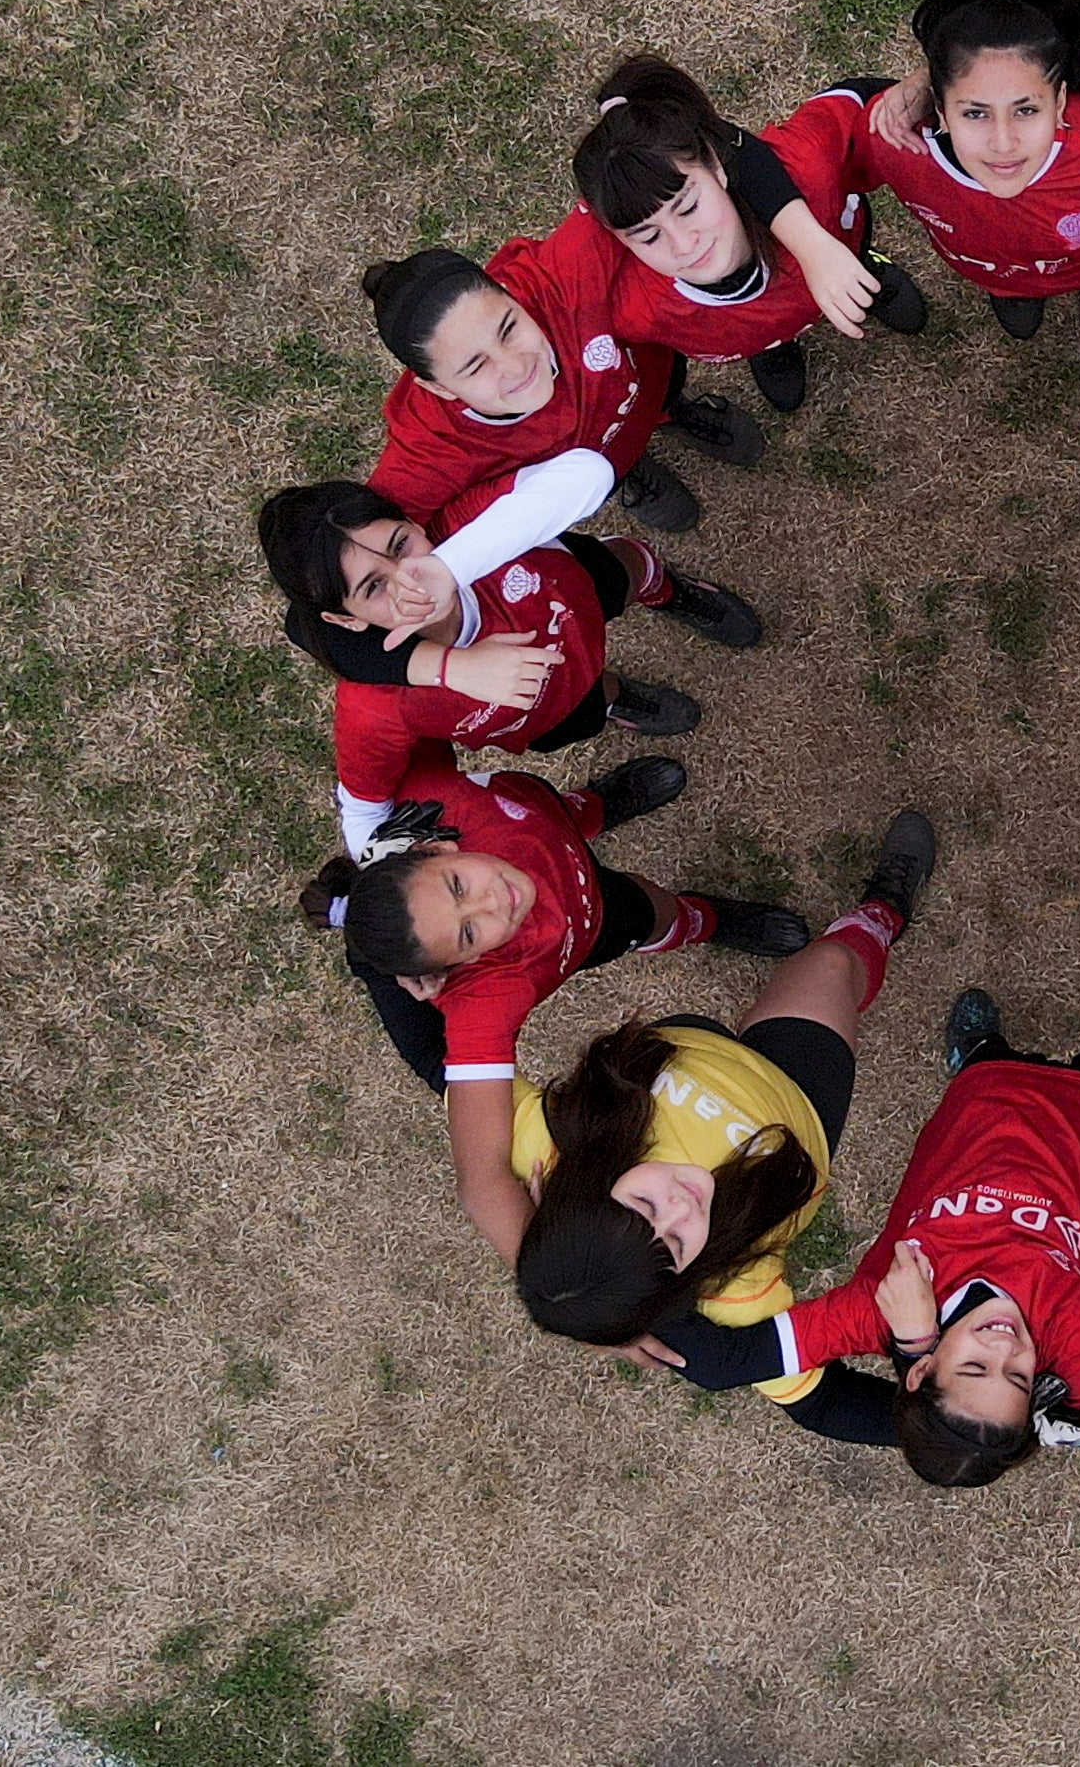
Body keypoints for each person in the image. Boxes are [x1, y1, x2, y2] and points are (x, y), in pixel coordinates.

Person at [654, 988, 1080, 1486]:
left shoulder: (881, 1304)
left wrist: (607, 1309)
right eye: (1020, 1377)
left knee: (989, 1059)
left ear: (926, 1370)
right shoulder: (1068, 1338)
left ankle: (976, 1051)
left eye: (975, 1367)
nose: (1004, 1347)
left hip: (986, 1093)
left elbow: (722, 1363)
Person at [506, 812, 938, 1444]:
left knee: (815, 966)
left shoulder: (541, 1142)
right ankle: (882, 913)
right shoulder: (734, 1291)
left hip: (686, 1043)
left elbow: (441, 1061)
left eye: (643, 1201)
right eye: (680, 1244)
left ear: (588, 1180)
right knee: (832, 964)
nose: (681, 1205)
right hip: (794, 1093)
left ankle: (707, 920)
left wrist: (375, 938)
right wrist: (961, 1427)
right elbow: (818, 1401)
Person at [298, 742, 808, 1259]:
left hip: (541, 815)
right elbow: (481, 1184)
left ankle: (594, 808)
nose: (492, 900)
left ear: (433, 851)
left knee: (580, 832)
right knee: (650, 913)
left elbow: (392, 701)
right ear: (460, 966)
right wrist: (570, 1295)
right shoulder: (487, 993)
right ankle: (705, 919)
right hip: (593, 922)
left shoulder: (428, 793)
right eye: (470, 932)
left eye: (458, 886)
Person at [253, 473, 761, 854]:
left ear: (411, 522)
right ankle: (615, 698)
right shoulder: (377, 708)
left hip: (580, 589)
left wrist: (456, 563)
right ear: (344, 622)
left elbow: (585, 474)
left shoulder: (469, 524)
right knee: (587, 703)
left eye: (401, 545)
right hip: (551, 712)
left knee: (628, 571)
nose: (410, 581)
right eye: (373, 587)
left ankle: (668, 590)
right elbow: (364, 814)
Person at [847, 0, 1080, 366]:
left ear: (1061, 101)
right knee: (1009, 288)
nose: (1003, 142)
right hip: (987, 266)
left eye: (1026, 110)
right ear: (940, 109)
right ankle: (1012, 289)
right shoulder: (894, 142)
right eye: (975, 113)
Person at [564, 55, 929, 413]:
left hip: (841, 239)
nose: (685, 244)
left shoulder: (808, 165)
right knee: (754, 329)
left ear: (717, 166)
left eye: (688, 207)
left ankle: (866, 274)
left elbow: (868, 100)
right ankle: (772, 345)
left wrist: (923, 90)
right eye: (648, 235)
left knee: (851, 255)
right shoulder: (634, 307)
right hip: (742, 326)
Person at [361, 233, 768, 538]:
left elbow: (628, 188)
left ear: (513, 296)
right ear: (439, 389)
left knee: (663, 390)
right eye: (474, 366)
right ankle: (624, 474)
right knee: (595, 469)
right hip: (594, 460)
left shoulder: (561, 279)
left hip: (646, 382)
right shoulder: (431, 443)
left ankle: (672, 411)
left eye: (508, 328)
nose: (516, 366)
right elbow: (375, 544)